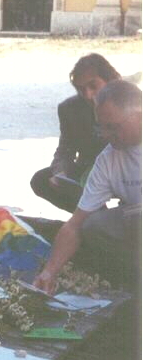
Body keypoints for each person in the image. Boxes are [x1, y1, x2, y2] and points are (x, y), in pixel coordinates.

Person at [33, 80, 141, 295]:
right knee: (93, 224)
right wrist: (49, 272)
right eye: (102, 127)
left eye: (113, 127)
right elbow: (75, 225)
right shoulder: (108, 159)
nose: (106, 135)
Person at [30, 54, 121, 212]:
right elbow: (65, 149)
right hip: (88, 170)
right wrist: (60, 172)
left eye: (93, 86)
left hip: (124, 171)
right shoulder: (70, 109)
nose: (88, 95)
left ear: (109, 80)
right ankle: (96, 216)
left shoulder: (131, 103)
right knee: (41, 180)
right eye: (81, 89)